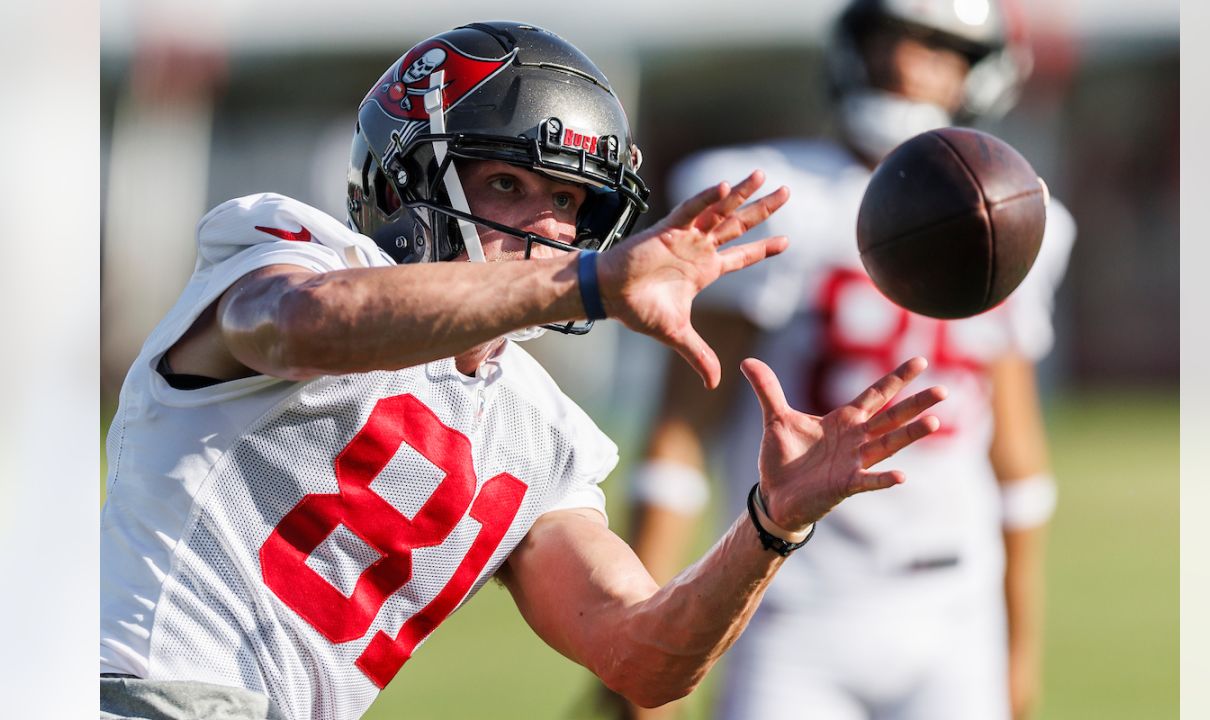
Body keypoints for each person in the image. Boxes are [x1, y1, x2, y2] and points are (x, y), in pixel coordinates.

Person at [98, 21, 947, 720]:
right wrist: (591, 282)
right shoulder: (286, 252)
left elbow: (643, 656)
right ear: (404, 184)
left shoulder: (544, 436)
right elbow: (301, 326)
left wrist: (771, 524)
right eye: (508, 183)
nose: (547, 227)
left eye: (572, 205)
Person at [619, 2, 1076, 719]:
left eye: (940, 47)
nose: (905, 63)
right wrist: (641, 630)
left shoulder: (1016, 215)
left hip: (956, 611)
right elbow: (680, 436)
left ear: (982, 74)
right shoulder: (767, 194)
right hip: (792, 605)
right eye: (891, 39)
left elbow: (1016, 461)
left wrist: (1020, 655)